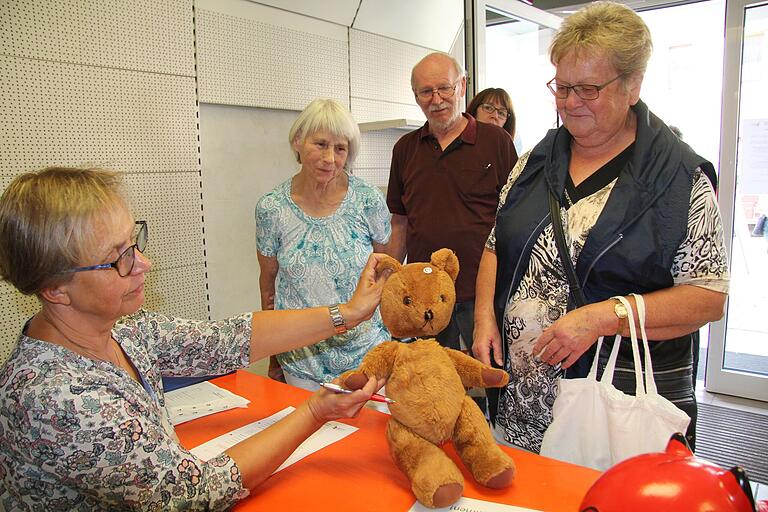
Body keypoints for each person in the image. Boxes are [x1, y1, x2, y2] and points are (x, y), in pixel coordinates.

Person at [0, 167, 389, 510]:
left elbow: (224, 340)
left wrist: (350, 313)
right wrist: (314, 411)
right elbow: (192, 494)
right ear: (55, 289)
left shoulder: (123, 329)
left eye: (134, 243)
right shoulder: (57, 399)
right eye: (118, 258)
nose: (143, 264)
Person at [473, 1, 729, 453]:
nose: (571, 103)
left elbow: (708, 298)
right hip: (521, 405)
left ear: (632, 85)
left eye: (588, 89)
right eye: (562, 86)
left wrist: (602, 318)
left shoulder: (680, 179)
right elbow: (496, 245)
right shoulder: (534, 162)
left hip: (613, 410)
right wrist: (483, 319)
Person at [256, 99, 392, 391]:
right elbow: (269, 286)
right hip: (301, 360)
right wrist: (273, 353)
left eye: (340, 148)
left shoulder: (368, 200)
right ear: (297, 142)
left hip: (368, 356)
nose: (330, 158)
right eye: (320, 144)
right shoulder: (271, 209)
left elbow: (385, 275)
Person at [388, 52, 518, 354]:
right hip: (425, 295)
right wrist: (391, 280)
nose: (437, 99)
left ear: (462, 86)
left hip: (483, 295)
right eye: (426, 91)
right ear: (416, 96)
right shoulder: (405, 149)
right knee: (429, 386)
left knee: (489, 382)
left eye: (444, 88)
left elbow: (514, 219)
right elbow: (400, 222)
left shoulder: (496, 143)